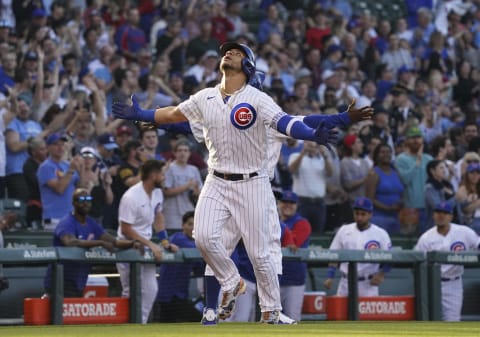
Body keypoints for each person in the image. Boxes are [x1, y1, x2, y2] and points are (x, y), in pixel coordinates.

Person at [113, 41, 373, 323]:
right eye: (227, 51)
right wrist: (142, 114)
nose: (229, 52)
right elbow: (177, 114)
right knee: (202, 237)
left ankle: (272, 312)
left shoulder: (258, 99)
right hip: (216, 178)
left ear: (248, 66)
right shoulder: (205, 98)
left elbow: (290, 122)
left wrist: (321, 130)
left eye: (236, 52)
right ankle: (230, 282)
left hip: (253, 182)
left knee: (261, 254)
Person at [42, 188, 141, 298]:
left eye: (88, 199)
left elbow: (113, 241)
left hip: (79, 280)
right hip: (60, 280)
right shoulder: (67, 222)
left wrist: (132, 243)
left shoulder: (91, 223)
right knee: (59, 314)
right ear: (74, 203)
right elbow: (69, 242)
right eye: (81, 199)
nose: (85, 202)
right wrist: (99, 243)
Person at [115, 159, 179, 324]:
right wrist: (151, 244)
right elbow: (126, 229)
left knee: (151, 289)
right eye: (162, 174)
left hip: (146, 246)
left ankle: (140, 326)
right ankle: (125, 327)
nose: (164, 177)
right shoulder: (131, 196)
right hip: (128, 248)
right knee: (130, 290)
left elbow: (158, 217)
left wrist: (164, 241)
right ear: (153, 175)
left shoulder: (157, 193)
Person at [414, 201, 480, 321]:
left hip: (453, 283)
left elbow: (478, 244)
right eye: (438, 212)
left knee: (452, 321)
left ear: (451, 216)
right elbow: (416, 263)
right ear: (433, 215)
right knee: (430, 320)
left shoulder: (464, 232)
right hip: (431, 284)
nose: (441, 215)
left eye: (445, 213)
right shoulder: (426, 238)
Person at [323, 197, 392, 296]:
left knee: (367, 312)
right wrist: (330, 276)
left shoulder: (381, 233)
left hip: (368, 284)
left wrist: (382, 274)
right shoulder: (344, 230)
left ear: (370, 214)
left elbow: (390, 258)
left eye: (363, 214)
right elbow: (334, 255)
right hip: (346, 282)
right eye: (357, 213)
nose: (359, 217)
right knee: (342, 311)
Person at [154, 211, 204, 322]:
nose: (192, 228)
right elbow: (196, 249)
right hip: (168, 295)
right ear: (183, 226)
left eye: (195, 225)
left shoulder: (195, 243)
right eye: (189, 224)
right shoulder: (177, 238)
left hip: (179, 295)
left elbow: (199, 268)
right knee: (198, 320)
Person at [278, 191, 311, 322]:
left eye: (292, 203)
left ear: (297, 205)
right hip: (274, 279)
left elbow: (292, 244)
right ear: (279, 204)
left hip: (294, 280)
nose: (288, 205)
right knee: (269, 321)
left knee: (292, 320)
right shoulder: (272, 220)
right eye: (285, 202)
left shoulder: (302, 223)